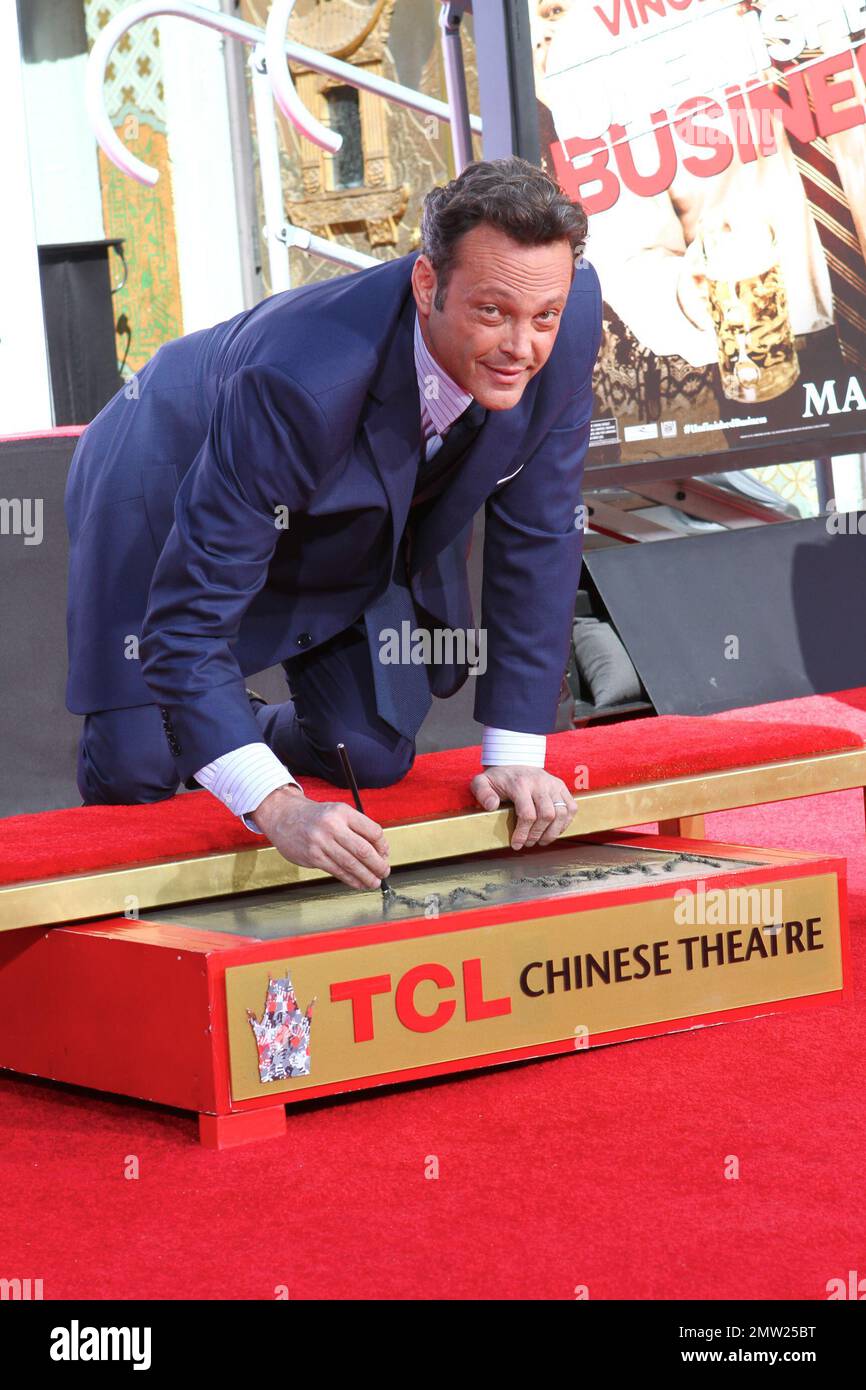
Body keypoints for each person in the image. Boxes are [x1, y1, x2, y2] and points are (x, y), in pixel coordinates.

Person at [65, 157, 602, 891]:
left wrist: (516, 754)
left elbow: (541, 532)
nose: (522, 347)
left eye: (542, 317)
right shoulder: (302, 380)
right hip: (157, 467)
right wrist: (279, 807)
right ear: (426, 284)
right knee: (137, 768)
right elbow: (188, 621)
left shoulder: (564, 311)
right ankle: (186, 733)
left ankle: (231, 726)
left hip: (332, 502)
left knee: (369, 753)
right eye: (491, 312)